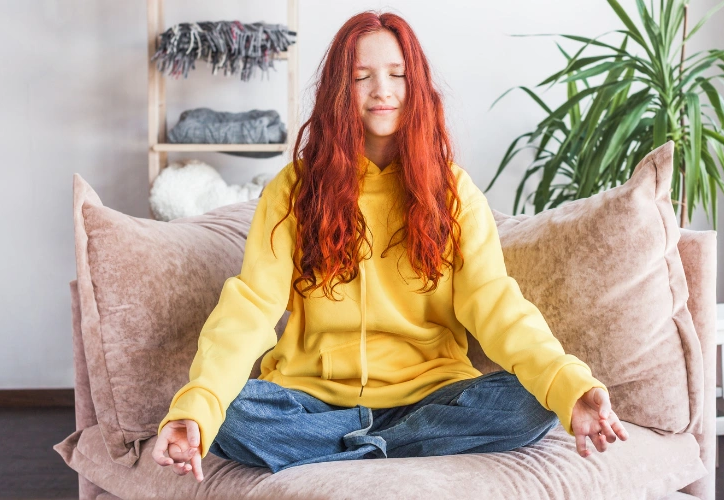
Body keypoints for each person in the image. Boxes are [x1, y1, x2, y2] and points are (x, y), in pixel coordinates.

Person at [151, 11, 628, 482]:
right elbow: (251, 306)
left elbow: (496, 303)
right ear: (340, 91)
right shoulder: (294, 189)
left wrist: (567, 384)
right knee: (232, 414)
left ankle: (351, 450)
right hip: (313, 400)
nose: (382, 90)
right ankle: (393, 448)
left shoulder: (454, 192)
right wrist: (200, 406)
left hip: (428, 396)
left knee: (531, 403)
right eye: (362, 77)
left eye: (397, 75)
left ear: (416, 86)